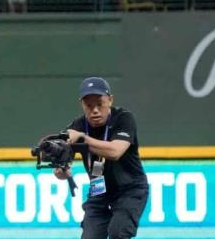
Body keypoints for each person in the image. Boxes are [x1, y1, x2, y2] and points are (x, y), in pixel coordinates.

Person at [56, 77, 148, 239]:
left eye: (100, 104)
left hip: (130, 189)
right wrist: (61, 169)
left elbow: (115, 152)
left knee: (118, 233)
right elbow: (61, 169)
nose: (95, 110)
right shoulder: (77, 126)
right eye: (89, 106)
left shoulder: (123, 118)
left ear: (110, 100)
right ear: (82, 105)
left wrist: (82, 138)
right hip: (99, 192)